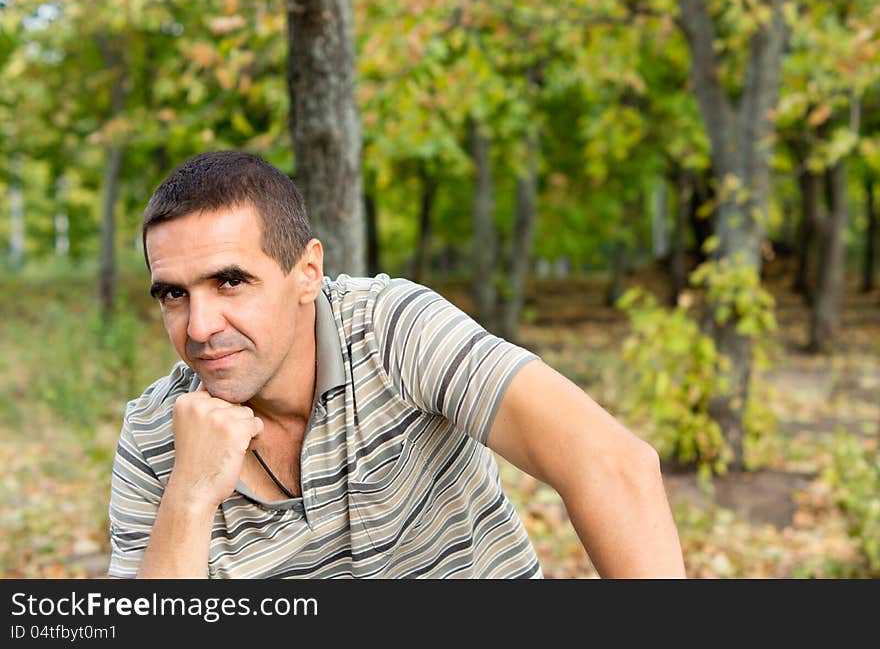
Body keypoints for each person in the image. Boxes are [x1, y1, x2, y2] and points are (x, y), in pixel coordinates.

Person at [108, 150, 686, 579]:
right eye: (173, 295)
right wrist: (190, 494)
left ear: (307, 272)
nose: (201, 326)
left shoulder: (390, 330)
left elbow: (611, 465)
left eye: (230, 281)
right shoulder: (154, 435)